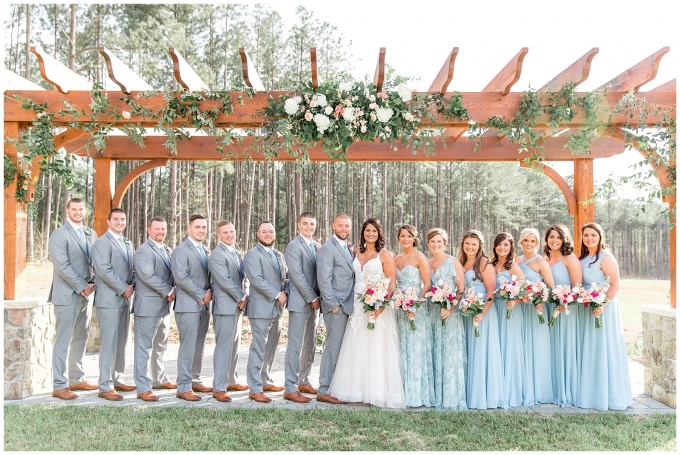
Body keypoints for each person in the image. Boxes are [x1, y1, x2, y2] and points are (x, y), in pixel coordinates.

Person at [329, 218, 405, 408]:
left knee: (377, 346)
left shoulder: (385, 254)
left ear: (379, 233)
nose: (370, 234)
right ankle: (357, 390)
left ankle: (377, 391)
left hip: (377, 306)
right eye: (367, 230)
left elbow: (392, 283)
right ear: (362, 232)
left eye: (374, 231)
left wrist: (381, 305)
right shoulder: (356, 252)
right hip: (357, 305)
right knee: (356, 346)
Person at [47, 198, 99, 400]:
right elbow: (62, 266)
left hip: (86, 294)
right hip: (67, 295)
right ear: (67, 210)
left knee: (81, 337)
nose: (78, 212)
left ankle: (76, 378)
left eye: (81, 209)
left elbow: (95, 260)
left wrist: (93, 282)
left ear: (85, 211)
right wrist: (82, 286)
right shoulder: (59, 235)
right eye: (74, 209)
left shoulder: (91, 233)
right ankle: (59, 385)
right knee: (63, 339)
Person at [578, 222, 632, 410]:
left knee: (603, 347)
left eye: (593, 235)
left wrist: (602, 305)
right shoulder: (584, 256)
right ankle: (591, 391)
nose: (589, 238)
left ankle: (608, 394)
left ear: (600, 236)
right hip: (587, 306)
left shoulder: (606, 257)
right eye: (586, 235)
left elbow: (615, 285)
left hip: (604, 308)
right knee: (591, 348)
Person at [91, 208, 136, 401]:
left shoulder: (128, 243)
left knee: (121, 341)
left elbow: (132, 267)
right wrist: (123, 288)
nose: (119, 222)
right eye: (116, 219)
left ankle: (117, 378)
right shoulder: (101, 243)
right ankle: (104, 385)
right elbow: (103, 270)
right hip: (109, 300)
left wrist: (132, 285)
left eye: (123, 219)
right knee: (108, 342)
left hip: (125, 299)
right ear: (108, 222)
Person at [242, 221, 289, 403]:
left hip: (277, 309)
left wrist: (286, 292)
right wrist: (278, 294)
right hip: (261, 309)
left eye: (271, 231)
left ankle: (265, 379)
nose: (268, 234)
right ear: (257, 234)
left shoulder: (279, 254)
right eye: (264, 232)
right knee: (258, 348)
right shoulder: (252, 255)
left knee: (270, 347)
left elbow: (285, 276)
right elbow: (257, 280)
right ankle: (254, 388)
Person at [132, 217, 176, 402]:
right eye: (157, 229)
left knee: (160, 345)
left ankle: (159, 378)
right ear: (149, 230)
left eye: (163, 229)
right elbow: (147, 276)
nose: (160, 232)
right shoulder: (143, 251)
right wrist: (169, 290)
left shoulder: (167, 250)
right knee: (144, 347)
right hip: (148, 307)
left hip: (164, 307)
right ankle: (143, 387)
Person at [459, 230, 504, 409]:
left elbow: (491, 290)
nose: (470, 247)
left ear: (480, 246)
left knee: (482, 350)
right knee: (469, 351)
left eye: (474, 244)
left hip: (482, 312)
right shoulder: (461, 262)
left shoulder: (484, 263)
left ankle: (484, 396)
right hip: (466, 311)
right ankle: (469, 394)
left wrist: (482, 313)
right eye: (467, 243)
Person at [171, 214, 213, 401]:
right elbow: (181, 278)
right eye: (197, 227)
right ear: (189, 228)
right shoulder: (181, 250)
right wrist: (202, 294)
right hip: (188, 305)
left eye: (204, 227)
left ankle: (194, 379)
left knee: (199, 344)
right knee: (187, 346)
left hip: (204, 306)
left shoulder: (205, 250)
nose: (201, 230)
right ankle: (183, 386)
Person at [208, 220, 250, 402]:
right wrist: (242, 296)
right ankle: (219, 387)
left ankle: (231, 379)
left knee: (234, 346)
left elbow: (244, 278)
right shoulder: (217, 255)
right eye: (225, 232)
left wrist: (246, 295)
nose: (229, 235)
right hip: (225, 307)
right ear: (219, 235)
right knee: (224, 347)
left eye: (232, 231)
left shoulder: (236, 253)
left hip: (237, 306)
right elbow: (224, 280)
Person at [316, 213, 355, 405]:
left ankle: (337, 387)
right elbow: (323, 280)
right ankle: (324, 389)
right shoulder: (327, 249)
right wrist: (333, 307)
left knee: (342, 349)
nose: (344, 229)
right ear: (333, 226)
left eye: (347, 226)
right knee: (332, 348)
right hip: (336, 307)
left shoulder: (348, 248)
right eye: (340, 226)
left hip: (349, 306)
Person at [283, 212, 322, 404]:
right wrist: (312, 297)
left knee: (310, 343)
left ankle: (303, 380)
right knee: (295, 345)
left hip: (314, 302)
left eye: (312, 224)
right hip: (301, 302)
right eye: (305, 224)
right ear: (298, 225)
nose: (308, 227)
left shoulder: (315, 246)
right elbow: (297, 276)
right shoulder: (293, 246)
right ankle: (290, 387)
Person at [394, 224, 434, 408]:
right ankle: (400, 392)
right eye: (402, 236)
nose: (405, 239)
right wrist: (399, 300)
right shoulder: (395, 259)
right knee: (401, 347)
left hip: (416, 307)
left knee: (416, 347)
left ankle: (416, 395)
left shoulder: (420, 257)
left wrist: (416, 303)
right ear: (399, 238)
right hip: (400, 308)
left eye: (409, 236)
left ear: (414, 238)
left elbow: (427, 284)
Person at [427, 228, 467, 410]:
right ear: (428, 243)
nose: (436, 245)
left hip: (450, 314)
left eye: (439, 242)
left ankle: (451, 397)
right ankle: (436, 394)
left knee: (450, 353)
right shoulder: (426, 263)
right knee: (435, 350)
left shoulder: (453, 262)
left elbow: (461, 288)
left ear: (445, 243)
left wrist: (451, 309)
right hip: (432, 314)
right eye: (432, 241)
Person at [543, 224, 583, 407]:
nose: (554, 240)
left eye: (558, 237)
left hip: (566, 310)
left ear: (564, 239)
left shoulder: (569, 258)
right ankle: (552, 389)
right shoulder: (546, 258)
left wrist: (564, 302)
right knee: (551, 348)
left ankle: (567, 391)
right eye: (551, 237)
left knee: (564, 347)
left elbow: (577, 287)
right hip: (549, 307)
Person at [516, 227, 554, 406]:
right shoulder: (517, 260)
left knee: (537, 348)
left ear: (537, 243)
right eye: (526, 241)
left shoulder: (541, 262)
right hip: (521, 309)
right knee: (522, 348)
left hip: (537, 310)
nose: (529, 244)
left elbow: (551, 288)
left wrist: (541, 299)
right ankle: (523, 388)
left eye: (533, 241)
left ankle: (539, 391)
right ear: (521, 242)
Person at [491, 232, 525, 408]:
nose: (502, 248)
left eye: (506, 245)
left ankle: (511, 391)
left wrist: (515, 300)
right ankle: (497, 388)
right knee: (496, 347)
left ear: (511, 247)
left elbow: (526, 290)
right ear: (494, 246)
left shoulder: (513, 266)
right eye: (499, 244)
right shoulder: (490, 264)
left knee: (509, 346)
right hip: (494, 309)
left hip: (510, 310)